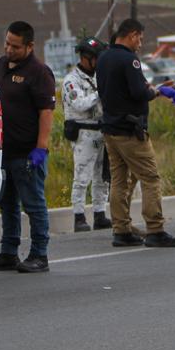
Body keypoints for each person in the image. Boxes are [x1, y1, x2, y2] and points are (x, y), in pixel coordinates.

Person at [96, 17, 175, 248]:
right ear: (132, 35)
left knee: (118, 180)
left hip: (111, 129)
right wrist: (158, 92)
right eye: (140, 39)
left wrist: (153, 88)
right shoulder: (129, 60)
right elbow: (138, 92)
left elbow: (119, 89)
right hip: (130, 131)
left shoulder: (103, 57)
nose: (140, 44)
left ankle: (121, 229)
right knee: (150, 177)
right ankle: (155, 229)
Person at [0, 21, 57, 274]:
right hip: (4, 151)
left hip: (27, 152)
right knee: (7, 203)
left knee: (33, 204)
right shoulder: (0, 66)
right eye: (7, 43)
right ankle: (9, 251)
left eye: (15, 46)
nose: (9, 49)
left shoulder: (39, 72)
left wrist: (41, 148)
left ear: (29, 46)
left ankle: (39, 254)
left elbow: (46, 111)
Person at [63, 37, 112, 233]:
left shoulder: (99, 76)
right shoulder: (71, 81)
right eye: (96, 58)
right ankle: (79, 216)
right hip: (84, 132)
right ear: (85, 58)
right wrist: (101, 93)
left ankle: (100, 214)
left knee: (102, 176)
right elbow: (80, 104)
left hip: (101, 131)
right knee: (82, 176)